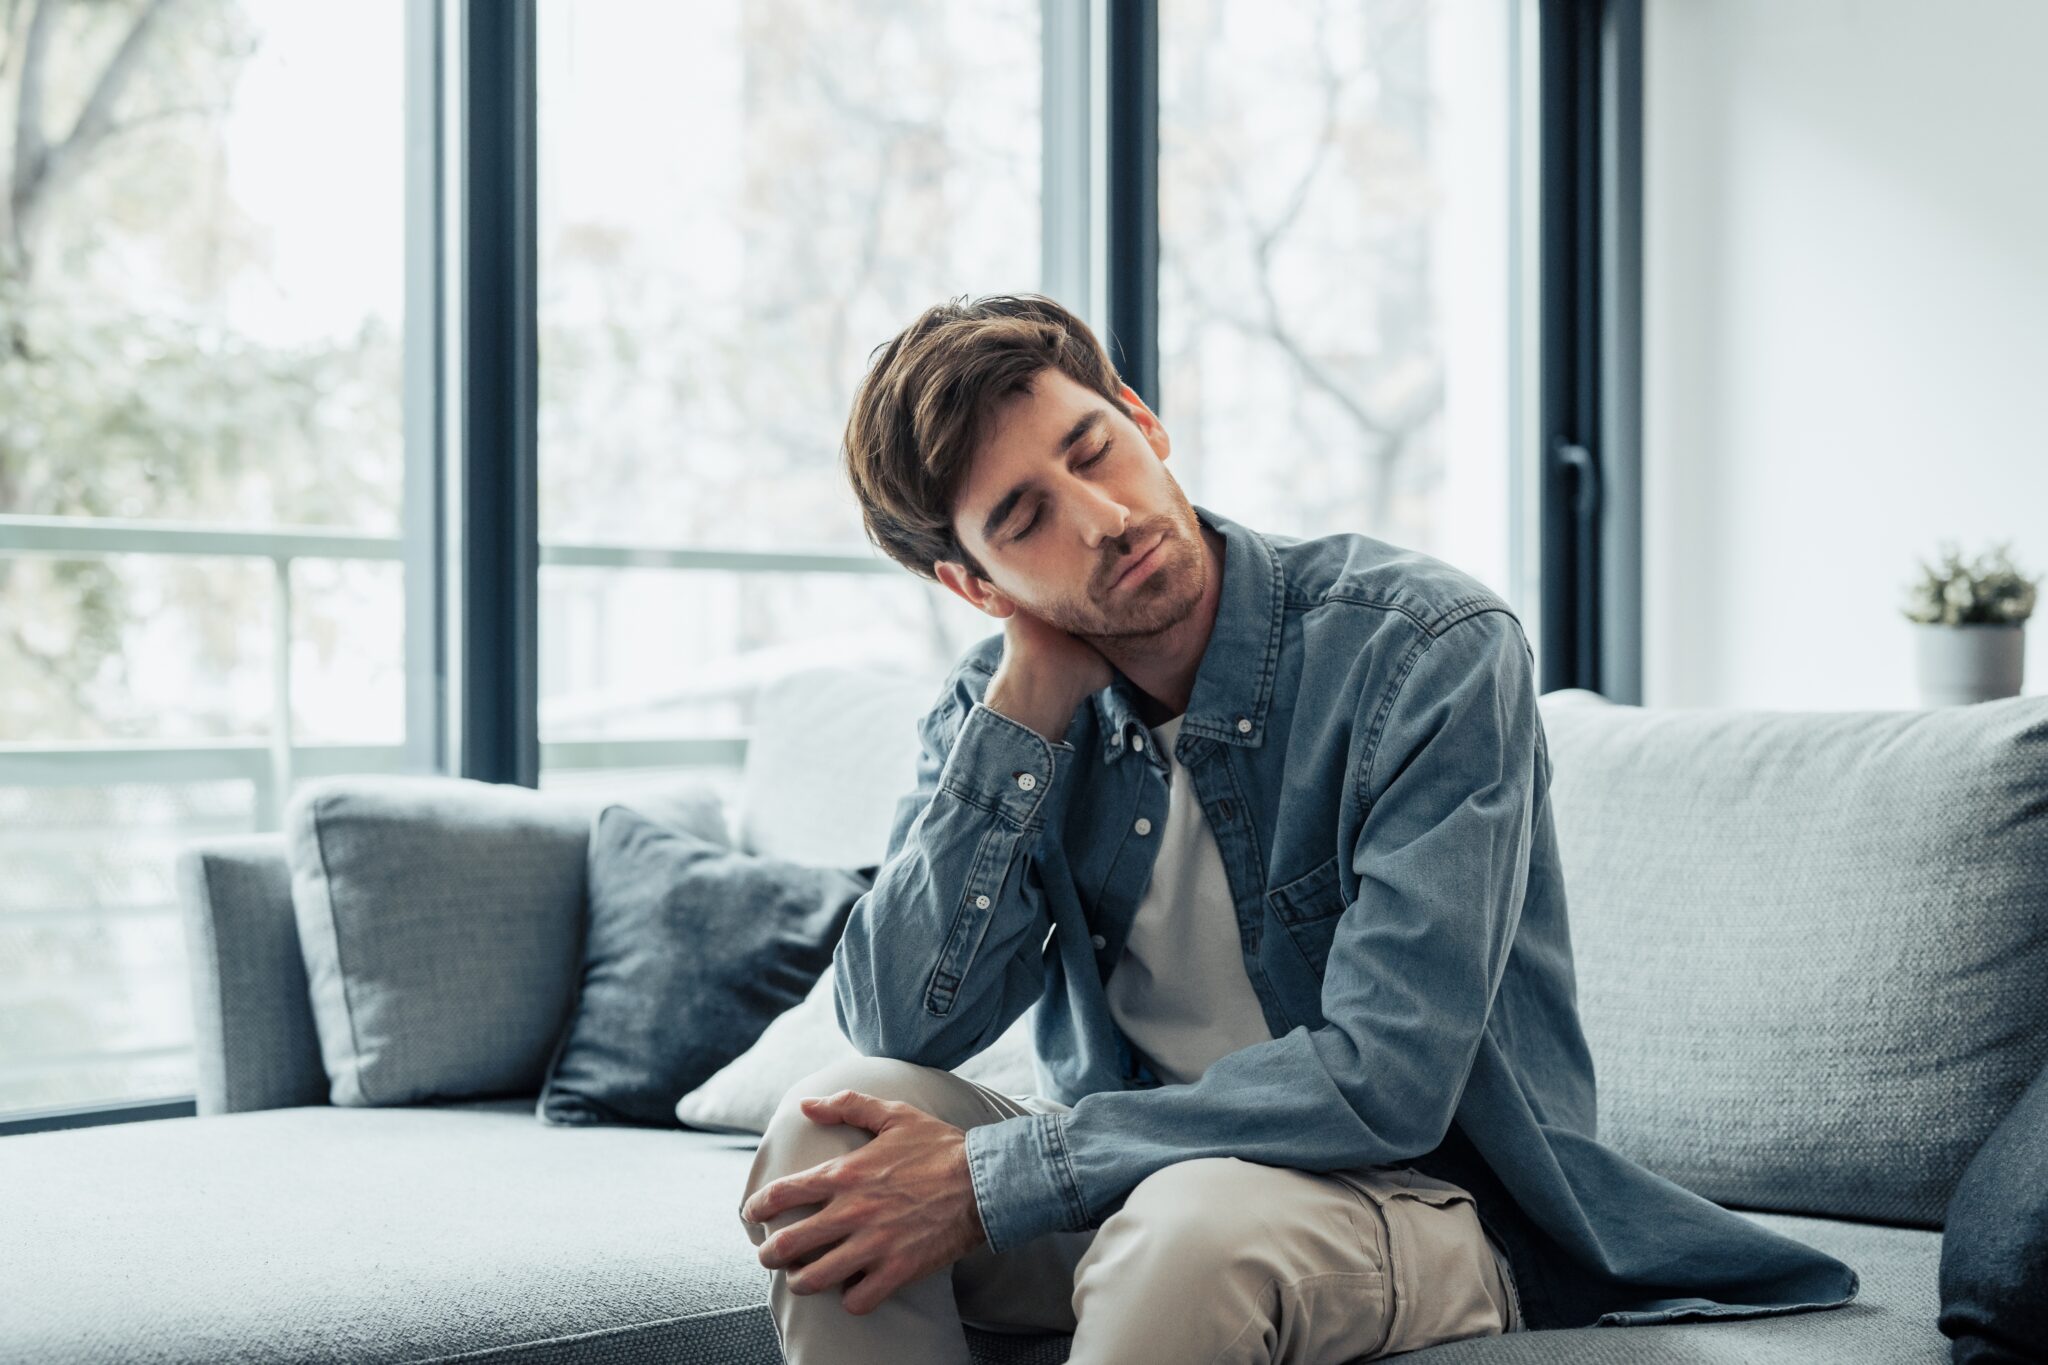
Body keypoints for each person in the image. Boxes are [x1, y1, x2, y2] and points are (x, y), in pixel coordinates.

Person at [737, 293, 1859, 1364]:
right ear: (976, 585)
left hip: (1413, 1198)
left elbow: (1389, 1078)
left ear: (1141, 417)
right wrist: (1024, 713)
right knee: (824, 1137)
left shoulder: (1425, 649)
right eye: (1025, 520)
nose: (1104, 519)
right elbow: (891, 1026)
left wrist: (997, 1176)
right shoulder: (997, 710)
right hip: (1130, 1188)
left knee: (1189, 1228)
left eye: (1090, 451)